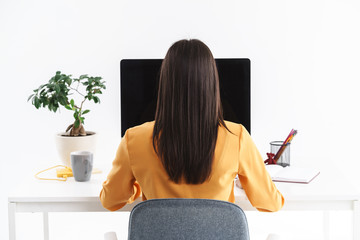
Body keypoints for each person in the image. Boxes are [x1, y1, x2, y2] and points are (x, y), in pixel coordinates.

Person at [100, 39, 284, 212]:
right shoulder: (237, 136)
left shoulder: (133, 139)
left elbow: (110, 201)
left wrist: (138, 186)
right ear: (212, 82)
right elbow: (270, 203)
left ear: (165, 83)